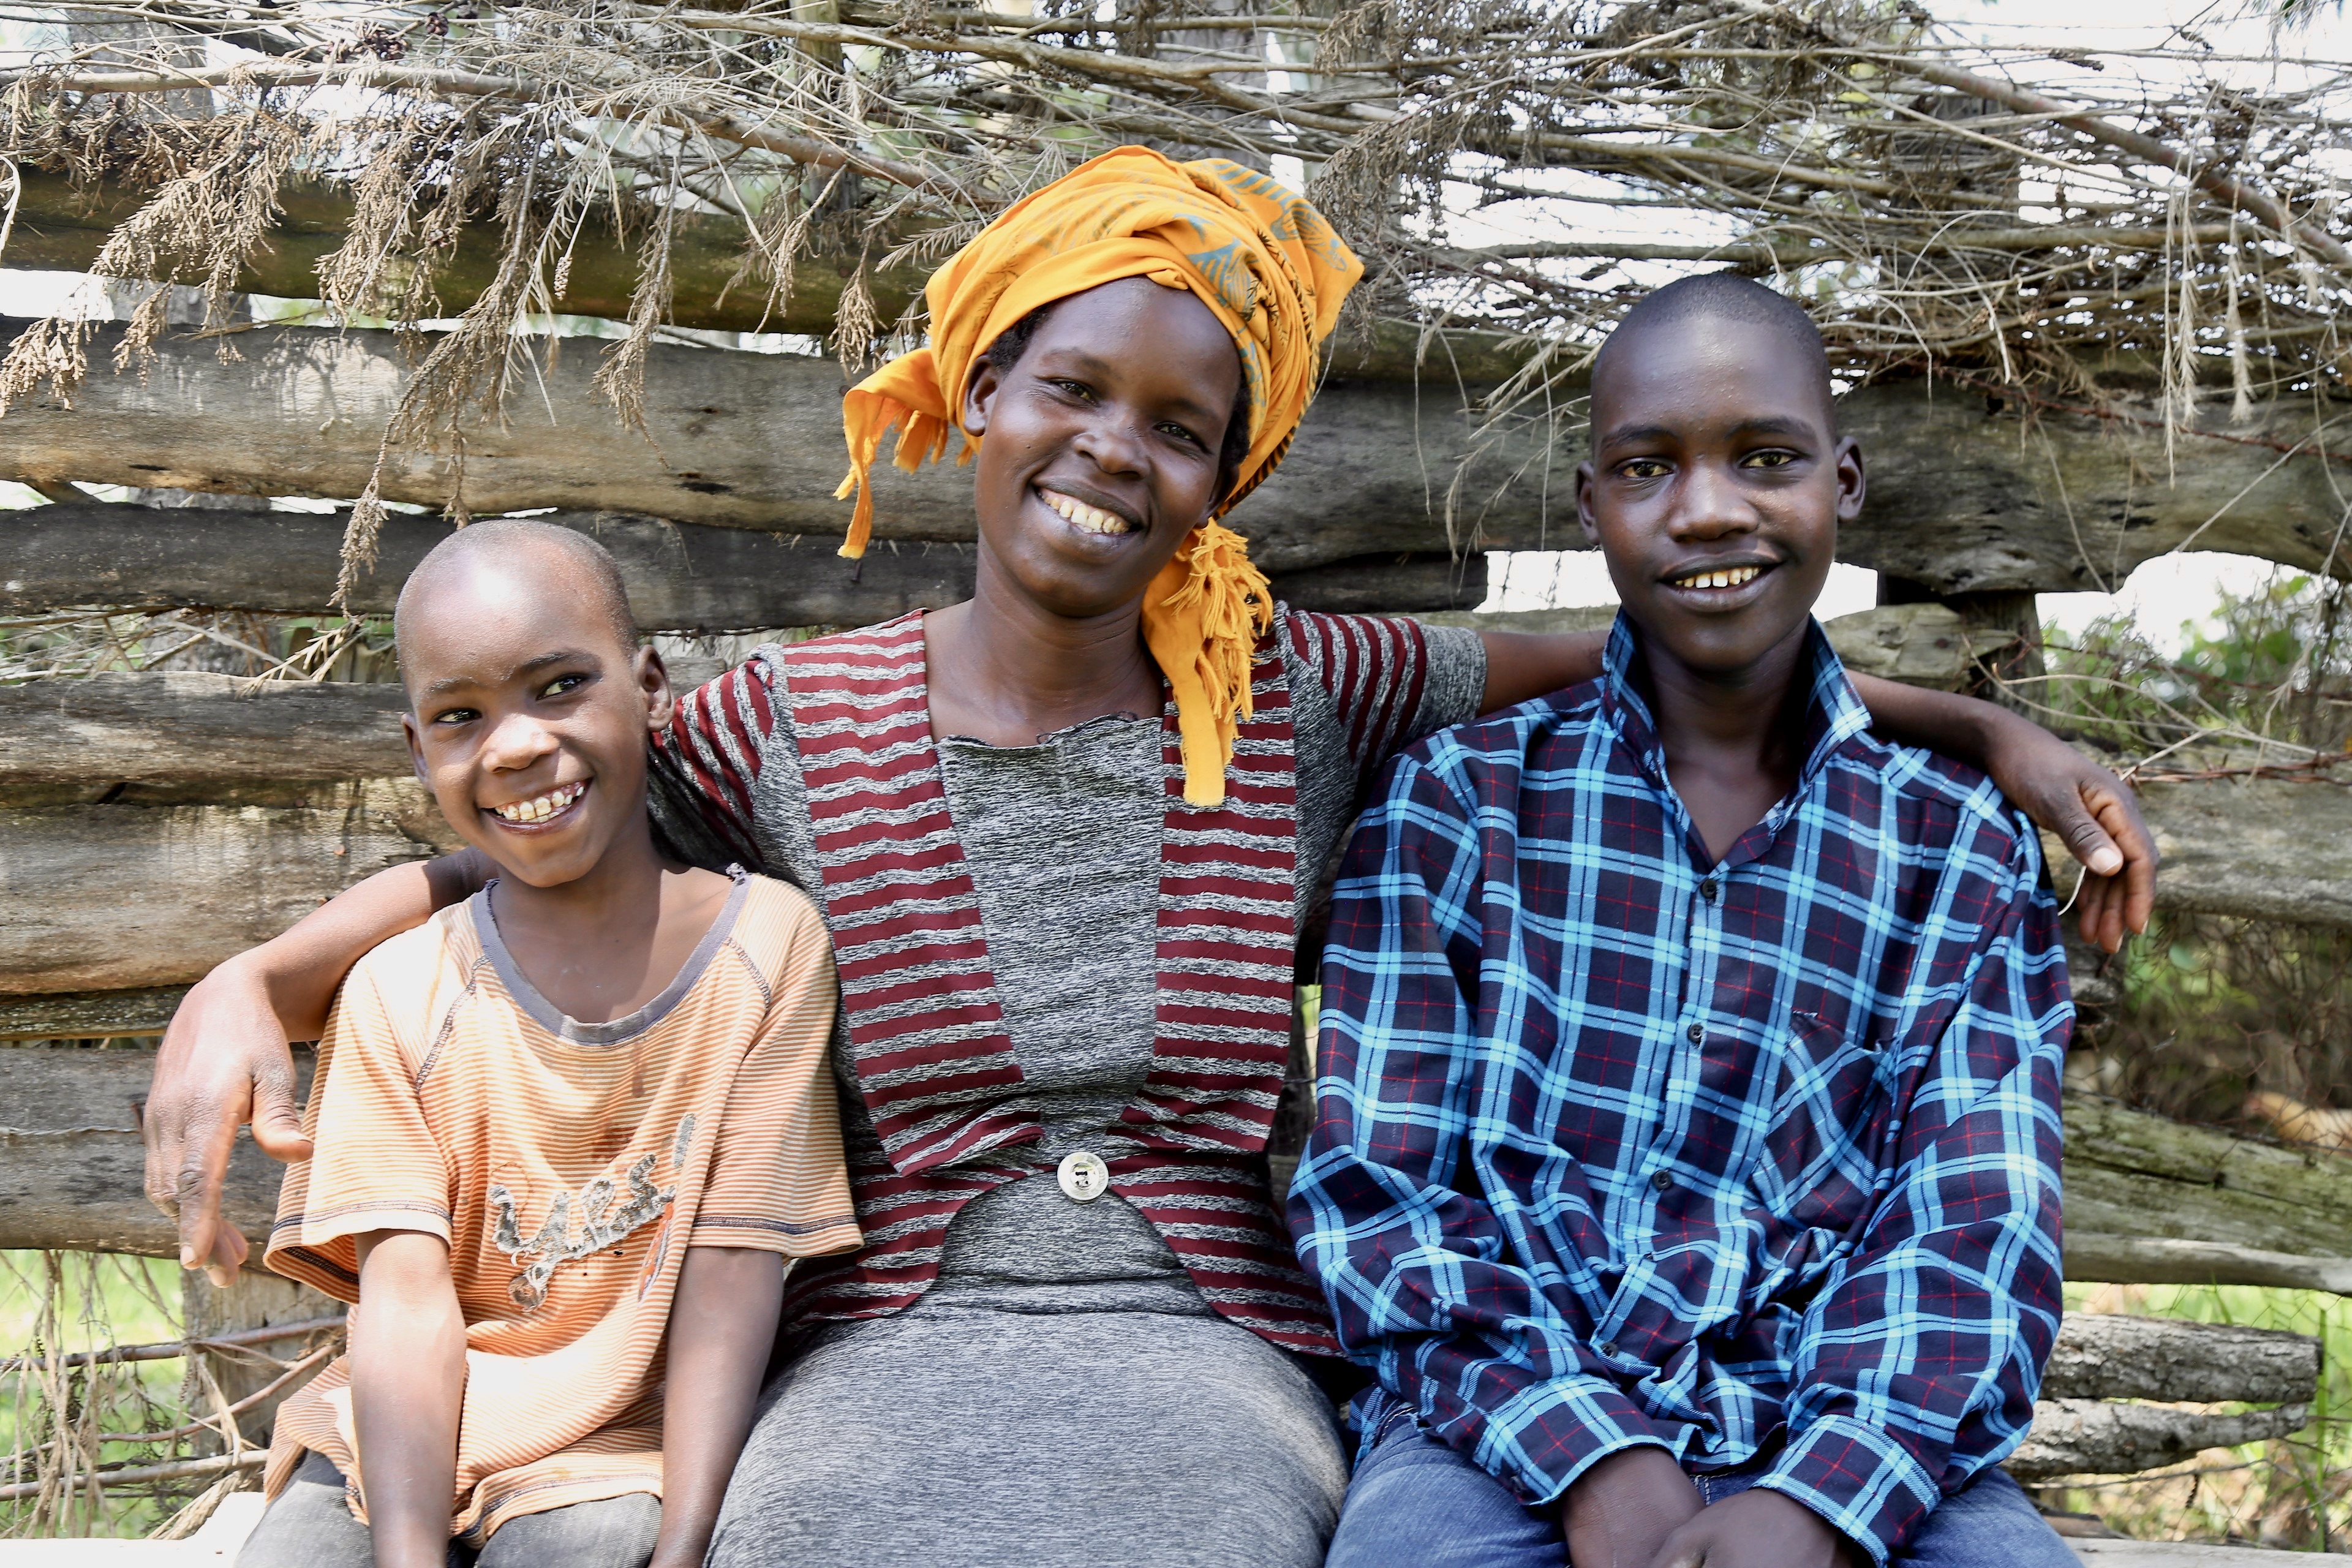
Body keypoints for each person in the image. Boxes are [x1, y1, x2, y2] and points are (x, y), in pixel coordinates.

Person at [148, 151, 2146, 1568]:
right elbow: (534, 836)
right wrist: (258, 979)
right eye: (1072, 390)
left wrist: (1976, 729)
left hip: (1222, 1349)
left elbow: (1675, 644)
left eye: (1179, 427)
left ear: (1226, 477)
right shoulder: (794, 723)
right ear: (979, 397)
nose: (1115, 453)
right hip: (886, 1352)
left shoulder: (1303, 690)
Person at [1294, 273, 2079, 1568]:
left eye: (1767, 458)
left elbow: (1973, 1223)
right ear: (1591, 502)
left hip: (1853, 1434)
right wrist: (1593, 1453)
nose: (1711, 508)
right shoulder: (1461, 805)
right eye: (1650, 466)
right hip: (1500, 1436)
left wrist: (1826, 1496)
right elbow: (1385, 1198)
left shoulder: (1954, 847)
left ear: (1847, 481)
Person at [235, 521, 859, 1568]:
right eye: (461, 716)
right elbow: (405, 1306)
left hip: (622, 1456)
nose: (516, 744)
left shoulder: (766, 948)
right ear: (418, 747)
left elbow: (733, 1275)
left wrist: (688, 1547)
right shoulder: (400, 989)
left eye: (560, 685)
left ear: (651, 685)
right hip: (391, 1447)